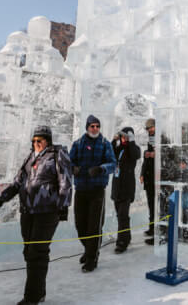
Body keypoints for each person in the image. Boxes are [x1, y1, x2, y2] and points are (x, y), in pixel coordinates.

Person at [0, 125, 72, 305]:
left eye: (40, 140)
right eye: (34, 141)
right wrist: (2, 199)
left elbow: (66, 182)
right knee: (29, 252)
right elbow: (17, 182)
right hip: (28, 211)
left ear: (48, 141)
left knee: (37, 251)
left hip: (47, 212)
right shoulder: (30, 157)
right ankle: (40, 291)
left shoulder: (57, 155)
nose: (36, 143)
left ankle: (32, 297)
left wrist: (63, 206)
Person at [69, 114, 116, 272]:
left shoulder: (105, 144)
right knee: (80, 225)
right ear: (87, 127)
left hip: (97, 191)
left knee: (94, 226)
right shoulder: (78, 144)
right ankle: (89, 249)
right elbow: (69, 162)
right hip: (81, 189)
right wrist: (73, 169)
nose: (95, 129)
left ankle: (91, 257)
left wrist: (101, 169)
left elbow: (113, 164)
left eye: (97, 126)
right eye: (92, 126)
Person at [111, 126, 140, 253]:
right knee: (121, 215)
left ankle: (121, 242)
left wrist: (131, 141)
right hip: (117, 187)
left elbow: (136, 155)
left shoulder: (133, 149)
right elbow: (110, 154)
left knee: (123, 215)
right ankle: (126, 237)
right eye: (122, 136)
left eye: (126, 136)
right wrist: (114, 141)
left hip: (127, 188)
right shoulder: (119, 148)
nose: (124, 138)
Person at [140, 118, 157, 244]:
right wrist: (142, 173)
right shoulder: (151, 139)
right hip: (149, 177)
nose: (149, 130)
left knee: (156, 205)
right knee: (151, 204)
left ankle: (157, 231)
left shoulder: (161, 138)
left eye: (151, 127)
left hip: (156, 178)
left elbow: (167, 153)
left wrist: (155, 154)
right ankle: (152, 228)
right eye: (148, 128)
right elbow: (147, 159)